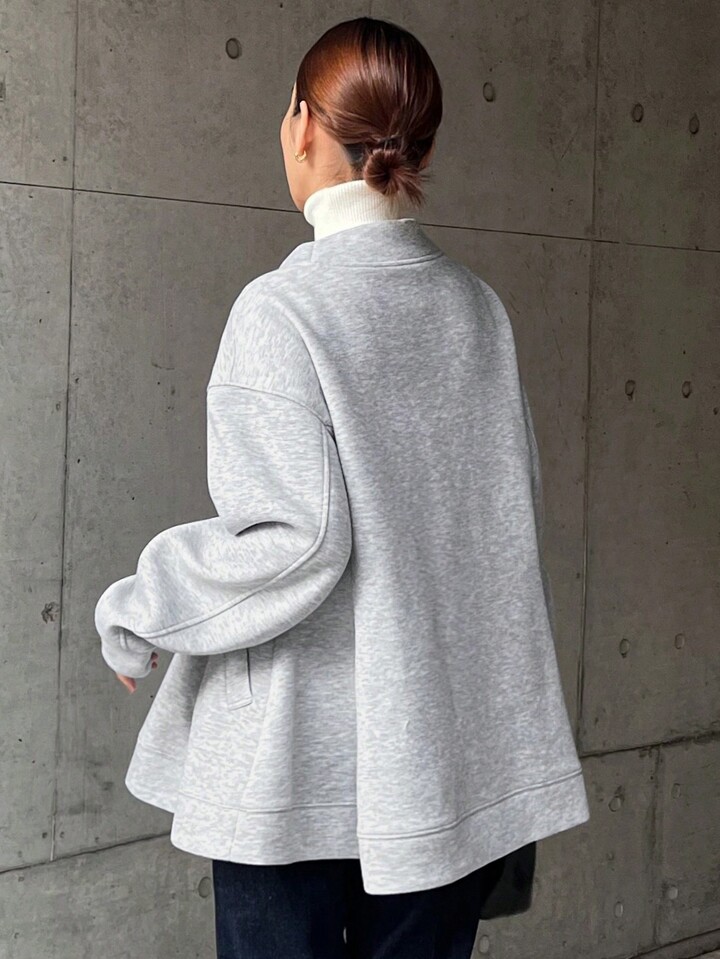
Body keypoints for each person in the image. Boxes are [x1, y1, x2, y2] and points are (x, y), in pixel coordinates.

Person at [94, 16, 590, 959]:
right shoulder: (477, 311)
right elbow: (502, 529)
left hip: (296, 768)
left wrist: (139, 608)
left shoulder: (284, 309)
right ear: (420, 149)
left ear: (303, 126)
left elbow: (296, 540)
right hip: (439, 759)